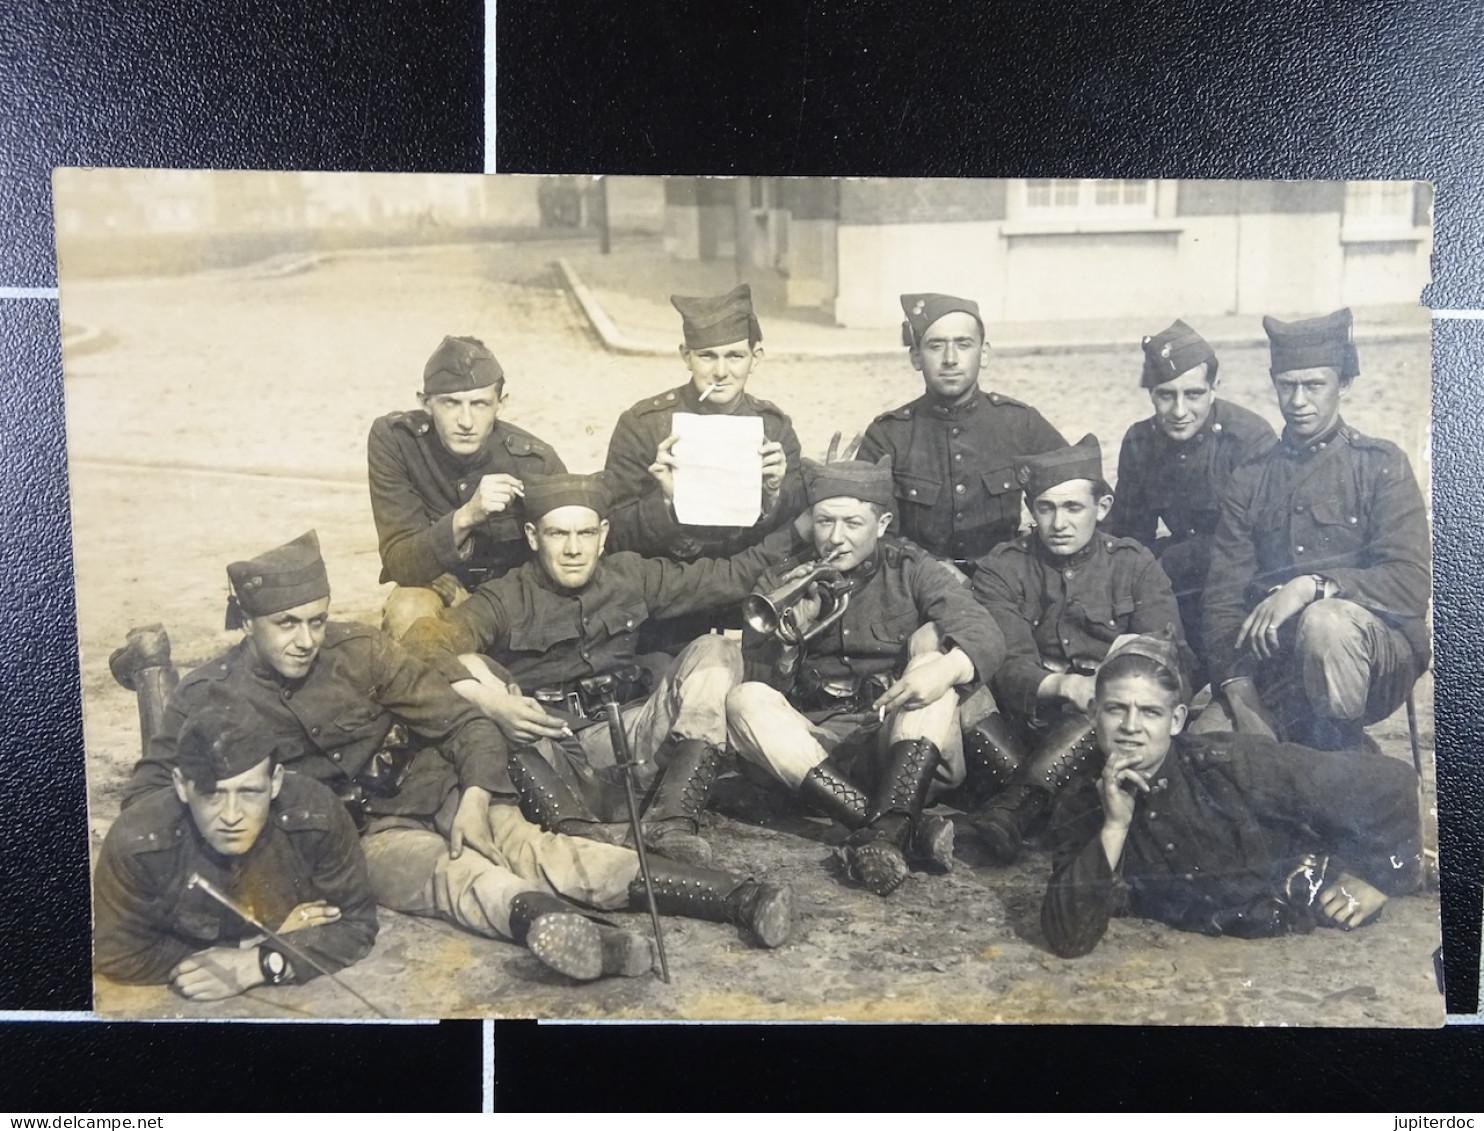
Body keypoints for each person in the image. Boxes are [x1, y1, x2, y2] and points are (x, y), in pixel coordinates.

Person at [123, 531, 791, 981]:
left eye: (317, 620)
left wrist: (475, 793)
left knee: (544, 849)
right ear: (247, 620)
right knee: (457, 879)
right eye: (285, 624)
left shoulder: (358, 651)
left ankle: (739, 898)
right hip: (353, 840)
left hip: (429, 792)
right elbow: (152, 801)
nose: (306, 639)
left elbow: (463, 723)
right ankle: (576, 937)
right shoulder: (207, 696)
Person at [403, 472, 803, 869]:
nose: (574, 548)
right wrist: (489, 702)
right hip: (554, 757)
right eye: (558, 534)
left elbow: (730, 576)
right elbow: (420, 643)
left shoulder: (632, 575)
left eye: (586, 533)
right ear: (532, 536)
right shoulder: (506, 596)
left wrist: (801, 529)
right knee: (474, 673)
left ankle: (671, 822)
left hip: (632, 744)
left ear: (604, 534)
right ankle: (577, 836)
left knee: (715, 650)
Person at [724, 455, 1007, 896]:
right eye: (824, 522)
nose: (835, 538)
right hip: (817, 759)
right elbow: (763, 689)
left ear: (882, 523)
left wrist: (946, 669)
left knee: (932, 663)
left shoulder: (911, 568)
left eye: (853, 523)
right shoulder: (782, 579)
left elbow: (983, 630)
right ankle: (895, 830)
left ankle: (883, 827)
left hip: (898, 744)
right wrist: (790, 638)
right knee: (743, 699)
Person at [1041, 633, 1423, 958]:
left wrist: (1380, 879)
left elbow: (1393, 781)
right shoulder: (1082, 798)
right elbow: (1067, 938)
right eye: (1115, 710)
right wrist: (1114, 825)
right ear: (1093, 714)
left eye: (1150, 713)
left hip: (1311, 877)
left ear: (1175, 721)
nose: (1130, 727)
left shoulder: (1230, 764)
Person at [1201, 308, 1432, 751]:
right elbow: (1222, 599)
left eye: (1314, 385)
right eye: (1287, 386)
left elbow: (1409, 583)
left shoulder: (1381, 466)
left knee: (1325, 623)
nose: (1299, 401)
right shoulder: (1252, 476)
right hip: (1278, 666)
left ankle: (1344, 755)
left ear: (1343, 384)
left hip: (1376, 659)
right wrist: (1238, 688)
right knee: (1205, 747)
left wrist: (1313, 586)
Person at [966, 435, 1192, 864]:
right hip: (1028, 723)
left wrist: (1104, 686)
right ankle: (1049, 803)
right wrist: (1065, 685)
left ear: (1101, 508)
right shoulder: (1003, 568)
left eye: (1073, 508)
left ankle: (1014, 809)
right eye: (1046, 508)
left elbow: (1168, 658)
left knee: (1108, 700)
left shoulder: (1134, 565)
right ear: (1031, 511)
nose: (1059, 523)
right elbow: (1006, 661)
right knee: (965, 694)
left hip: (1104, 733)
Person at [95, 699, 378, 1000]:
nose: (232, 815)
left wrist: (260, 964)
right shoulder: (138, 839)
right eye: (212, 794)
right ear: (180, 785)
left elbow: (356, 923)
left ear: (276, 782)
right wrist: (252, 945)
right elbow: (115, 955)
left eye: (250, 792)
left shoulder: (318, 814)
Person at [602, 284, 804, 651]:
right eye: (707, 356)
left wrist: (775, 494)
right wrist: (665, 504)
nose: (721, 372)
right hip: (668, 614)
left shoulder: (773, 427)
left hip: (749, 608)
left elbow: (794, 534)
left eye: (735, 356)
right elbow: (611, 534)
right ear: (686, 356)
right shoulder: (644, 425)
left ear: (756, 357)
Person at [1107, 319, 1275, 684]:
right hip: (1180, 585)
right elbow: (1129, 537)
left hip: (1245, 586)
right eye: (1166, 395)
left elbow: (1257, 545)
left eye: (1194, 394)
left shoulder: (1247, 439)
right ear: (1151, 393)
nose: (1179, 410)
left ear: (1215, 389)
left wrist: (1173, 560)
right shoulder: (1140, 441)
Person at [368, 334, 566, 637]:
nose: (466, 420)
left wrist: (488, 604)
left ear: (501, 404)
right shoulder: (397, 442)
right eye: (451, 403)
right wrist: (466, 517)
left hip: (512, 602)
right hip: (434, 592)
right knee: (407, 610)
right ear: (425, 403)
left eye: (480, 404)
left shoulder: (536, 461)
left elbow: (566, 555)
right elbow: (400, 562)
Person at [855, 292, 1066, 575]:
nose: (950, 359)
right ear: (916, 357)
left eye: (963, 344)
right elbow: (873, 533)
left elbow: (1080, 495)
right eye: (935, 346)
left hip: (1006, 582)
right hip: (916, 585)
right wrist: (930, 572)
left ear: (984, 353)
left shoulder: (1019, 423)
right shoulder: (888, 435)